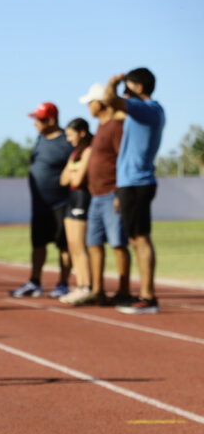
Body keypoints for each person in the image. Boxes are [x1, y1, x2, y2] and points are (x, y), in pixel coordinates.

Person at [103, 68, 165, 314]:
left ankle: (148, 297)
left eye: (127, 88)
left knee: (141, 238)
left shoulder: (147, 109)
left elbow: (109, 99)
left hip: (137, 183)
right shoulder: (145, 111)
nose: (124, 94)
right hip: (131, 183)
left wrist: (114, 81)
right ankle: (145, 295)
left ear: (139, 88)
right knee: (136, 239)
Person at [10, 103, 74, 298]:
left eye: (38, 119)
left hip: (61, 203)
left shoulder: (66, 141)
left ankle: (63, 283)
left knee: (64, 245)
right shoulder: (40, 139)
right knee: (38, 244)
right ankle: (34, 282)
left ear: (51, 120)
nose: (35, 123)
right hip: (40, 204)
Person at [79, 82, 131, 306]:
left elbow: (122, 159)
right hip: (96, 196)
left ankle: (124, 290)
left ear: (100, 103)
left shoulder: (116, 126)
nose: (88, 106)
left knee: (118, 244)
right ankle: (97, 290)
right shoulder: (101, 126)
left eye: (90, 102)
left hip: (111, 193)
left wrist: (119, 192)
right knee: (93, 243)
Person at [58, 119, 94, 305]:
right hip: (71, 199)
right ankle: (80, 285)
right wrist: (73, 174)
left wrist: (73, 174)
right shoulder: (74, 153)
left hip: (82, 199)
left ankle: (86, 286)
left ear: (82, 133)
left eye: (70, 135)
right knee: (72, 246)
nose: (68, 139)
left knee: (80, 245)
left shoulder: (89, 151)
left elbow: (78, 180)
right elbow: (63, 180)